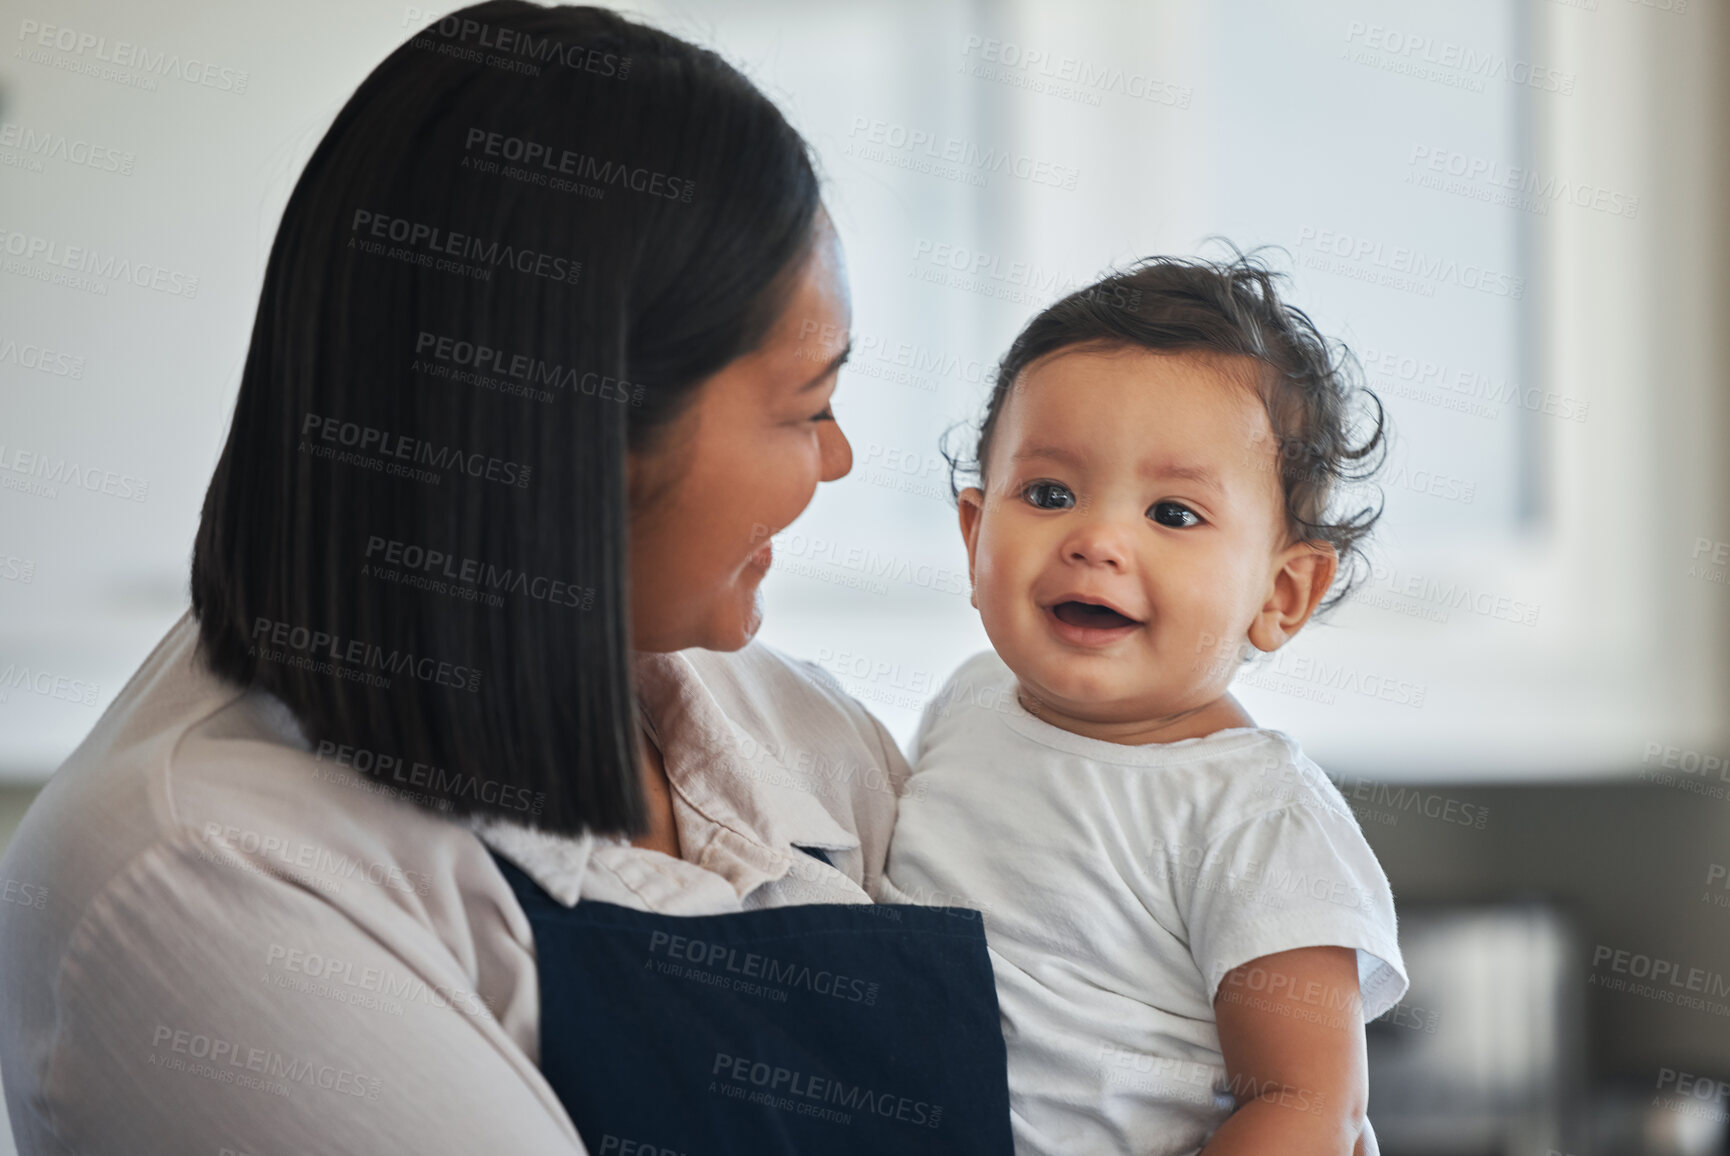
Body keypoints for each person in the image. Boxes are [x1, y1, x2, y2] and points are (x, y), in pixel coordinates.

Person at [0, 4, 1012, 1153]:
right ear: (581, 435)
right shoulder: (202, 878)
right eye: (808, 405)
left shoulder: (794, 731)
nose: (833, 460)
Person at [880, 254, 1409, 1155]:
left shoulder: (1257, 816)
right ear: (975, 540)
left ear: (1282, 593)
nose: (1095, 540)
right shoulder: (969, 702)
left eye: (1173, 513)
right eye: (1049, 494)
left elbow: (1308, 1105)